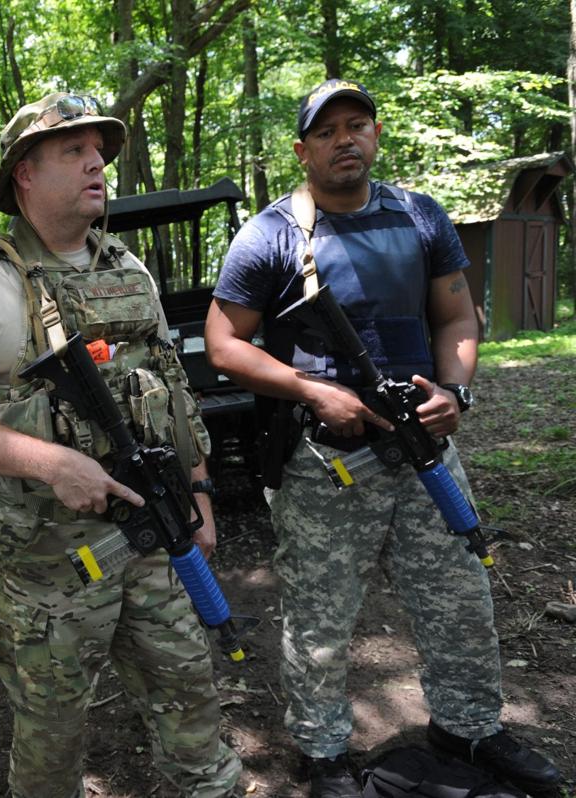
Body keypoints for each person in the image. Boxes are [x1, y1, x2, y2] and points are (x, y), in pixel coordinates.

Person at [204, 79, 563, 798]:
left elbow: (458, 321)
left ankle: (468, 728)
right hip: (325, 464)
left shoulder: (420, 216)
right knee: (320, 615)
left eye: (358, 124)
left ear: (375, 135)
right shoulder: (271, 235)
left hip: (426, 452)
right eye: (328, 130)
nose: (346, 138)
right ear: (303, 150)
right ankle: (324, 751)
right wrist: (311, 390)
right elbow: (223, 343)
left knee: (462, 598)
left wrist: (454, 393)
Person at [0, 92, 242, 798]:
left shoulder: (129, 267)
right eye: (74, 151)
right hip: (49, 567)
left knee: (192, 700)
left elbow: (174, 395)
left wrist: (202, 492)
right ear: (24, 174)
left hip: (156, 539)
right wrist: (50, 461)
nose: (97, 163)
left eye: (100, 151)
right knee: (51, 736)